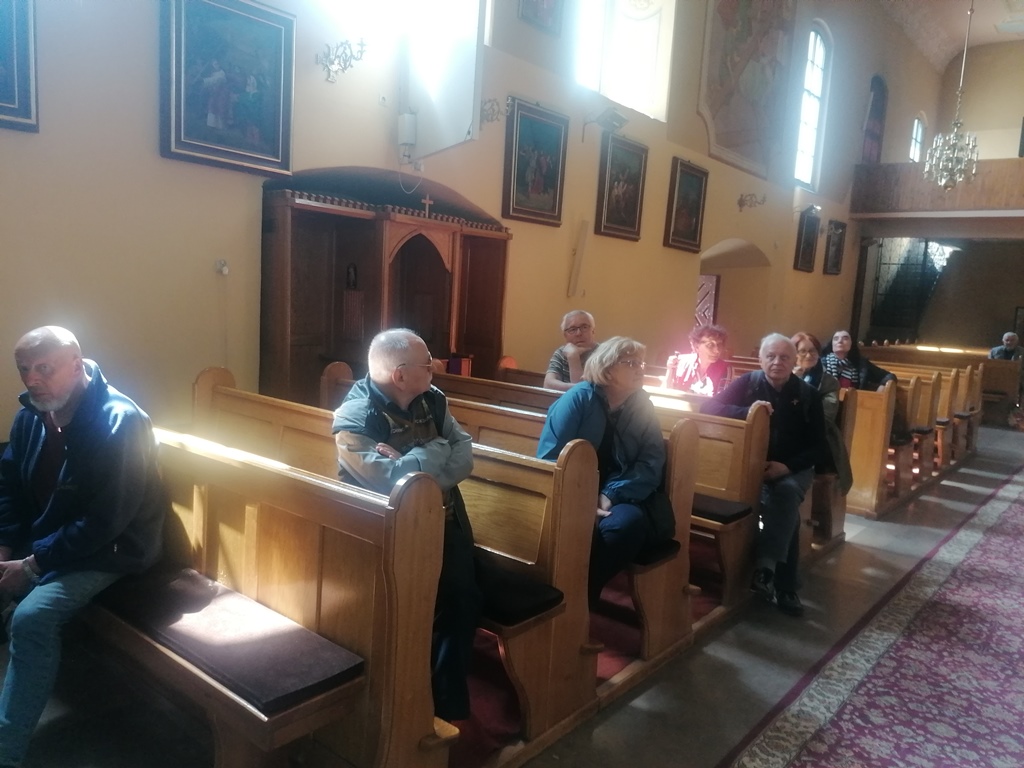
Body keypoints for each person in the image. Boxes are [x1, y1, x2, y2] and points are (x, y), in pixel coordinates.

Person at [0, 326, 167, 766]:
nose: (32, 380)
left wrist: (32, 566)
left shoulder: (120, 422)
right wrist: (5, 546)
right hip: (54, 542)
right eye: (24, 369)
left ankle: (6, 752)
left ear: (76, 365)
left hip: (113, 550)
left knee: (31, 620)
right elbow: (9, 488)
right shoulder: (31, 416)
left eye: (44, 368)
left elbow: (104, 522)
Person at [332, 328, 480, 722]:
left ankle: (447, 701)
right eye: (427, 363)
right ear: (400, 375)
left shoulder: (433, 399)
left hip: (443, 518)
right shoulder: (355, 417)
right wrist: (434, 449)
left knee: (463, 598)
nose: (434, 368)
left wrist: (415, 465)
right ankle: (400, 696)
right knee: (406, 607)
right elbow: (388, 481)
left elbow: (465, 454)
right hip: (387, 530)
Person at [701, 333, 827, 618]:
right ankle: (784, 585)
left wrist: (786, 467)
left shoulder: (808, 395)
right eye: (770, 356)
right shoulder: (748, 383)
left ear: (794, 361)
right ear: (760, 359)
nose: (777, 362)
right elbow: (708, 407)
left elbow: (819, 448)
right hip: (750, 465)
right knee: (788, 513)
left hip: (793, 468)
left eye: (784, 357)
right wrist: (750, 411)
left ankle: (767, 569)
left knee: (785, 492)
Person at [537, 337, 668, 608]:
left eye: (641, 363)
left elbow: (651, 461)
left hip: (622, 492)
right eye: (630, 363)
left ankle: (580, 598)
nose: (640, 369)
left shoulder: (643, 406)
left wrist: (610, 494)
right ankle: (571, 599)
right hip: (573, 490)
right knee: (574, 527)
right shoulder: (577, 399)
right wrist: (582, 502)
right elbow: (550, 458)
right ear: (607, 368)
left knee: (625, 526)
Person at [792, 331, 852, 496]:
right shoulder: (782, 377)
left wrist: (797, 385)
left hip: (818, 439)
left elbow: (823, 420)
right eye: (802, 351)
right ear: (793, 354)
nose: (809, 355)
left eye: (813, 351)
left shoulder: (828, 382)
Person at [820, 330, 896, 392]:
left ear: (851, 343)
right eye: (836, 339)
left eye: (845, 338)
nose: (840, 341)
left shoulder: (861, 364)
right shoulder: (820, 363)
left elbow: (889, 376)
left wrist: (883, 386)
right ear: (832, 344)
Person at [665, 324, 729, 395]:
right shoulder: (680, 362)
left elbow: (722, 399)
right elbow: (666, 393)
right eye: (710, 345)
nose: (717, 350)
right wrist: (670, 370)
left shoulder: (726, 369)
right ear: (696, 346)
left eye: (719, 345)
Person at [544, 310, 598, 391]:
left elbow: (582, 394)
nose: (578, 333)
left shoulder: (604, 354)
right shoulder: (561, 353)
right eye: (572, 329)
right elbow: (548, 385)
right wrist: (572, 355)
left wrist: (573, 357)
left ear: (593, 331)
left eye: (584, 327)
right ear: (565, 335)